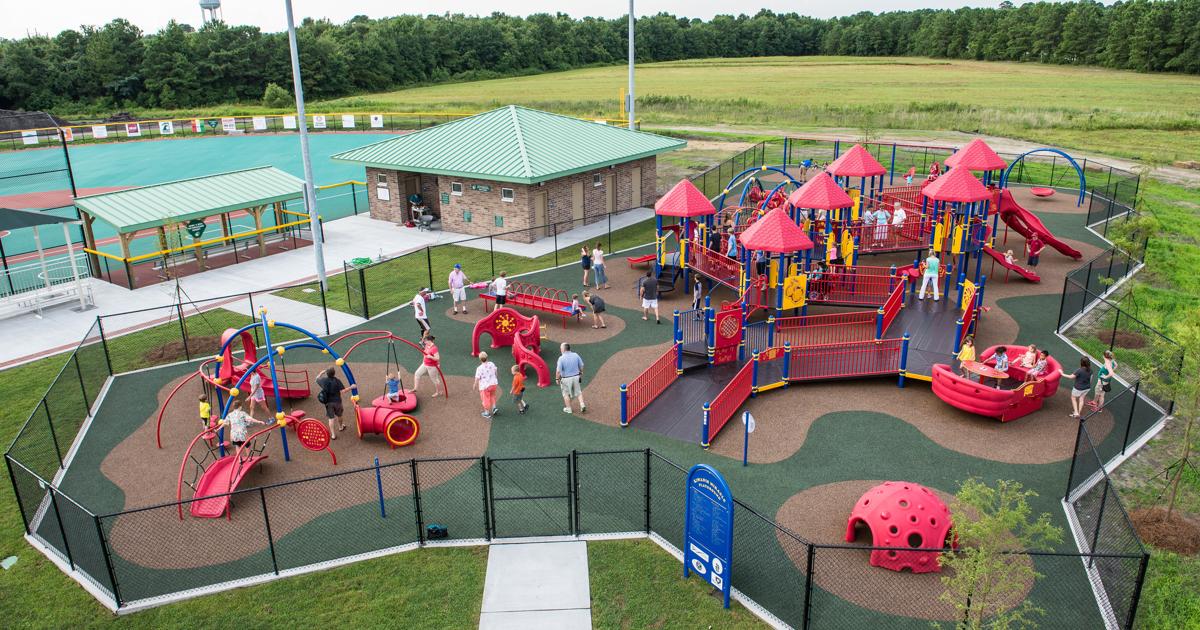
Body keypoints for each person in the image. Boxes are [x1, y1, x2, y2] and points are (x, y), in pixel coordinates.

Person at [556, 343, 586, 414]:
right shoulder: (576, 355)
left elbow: (558, 371)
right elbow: (582, 365)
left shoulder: (561, 358)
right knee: (578, 392)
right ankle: (582, 405)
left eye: (561, 348)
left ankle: (568, 409)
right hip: (576, 377)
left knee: (566, 394)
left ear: (563, 349)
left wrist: (557, 379)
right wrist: (581, 372)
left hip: (566, 379)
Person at [316, 366, 346, 437]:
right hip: (337, 401)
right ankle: (340, 427)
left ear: (327, 373)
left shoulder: (323, 380)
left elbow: (316, 379)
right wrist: (351, 387)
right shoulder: (337, 380)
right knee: (339, 415)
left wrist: (321, 373)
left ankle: (333, 434)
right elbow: (343, 391)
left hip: (328, 403)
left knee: (331, 418)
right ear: (334, 373)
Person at [474, 352, 499, 419]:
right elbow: (496, 371)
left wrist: (475, 384)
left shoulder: (479, 368)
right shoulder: (492, 364)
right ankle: (494, 408)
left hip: (485, 386)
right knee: (492, 395)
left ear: (480, 359)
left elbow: (477, 378)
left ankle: (487, 413)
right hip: (493, 384)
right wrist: (496, 378)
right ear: (487, 357)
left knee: (485, 399)